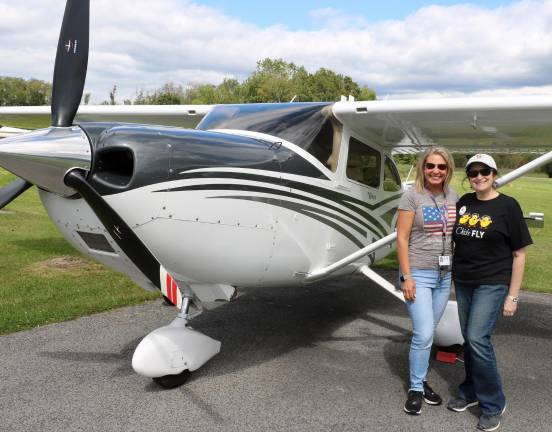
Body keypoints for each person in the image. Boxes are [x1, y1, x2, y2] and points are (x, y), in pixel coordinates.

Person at [447, 154, 532, 432]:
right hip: (464, 281)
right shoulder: (464, 203)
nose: (479, 176)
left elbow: (519, 255)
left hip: (492, 283)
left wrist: (513, 296)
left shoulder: (508, 206)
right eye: (473, 172)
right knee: (469, 340)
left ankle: (494, 403)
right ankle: (470, 391)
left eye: (485, 171)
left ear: (494, 174)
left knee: (477, 338)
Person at [397, 147, 458, 415]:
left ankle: (420, 381)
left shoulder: (452, 196)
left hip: (444, 276)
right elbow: (401, 238)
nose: (435, 171)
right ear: (423, 167)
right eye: (430, 166)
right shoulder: (412, 196)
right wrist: (406, 276)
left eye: (441, 167)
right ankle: (415, 388)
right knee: (422, 334)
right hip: (418, 274)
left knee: (428, 333)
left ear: (448, 170)